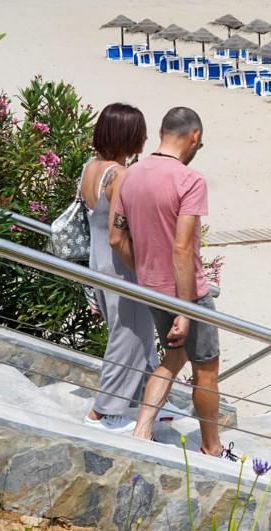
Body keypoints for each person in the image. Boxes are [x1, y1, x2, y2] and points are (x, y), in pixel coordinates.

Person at [112, 108, 231, 459]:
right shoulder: (190, 181)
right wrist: (184, 308)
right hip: (188, 293)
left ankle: (142, 429)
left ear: (161, 132)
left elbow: (117, 239)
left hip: (150, 287)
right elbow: (182, 247)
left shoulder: (130, 175)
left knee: (173, 356)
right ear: (194, 137)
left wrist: (148, 273)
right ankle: (211, 447)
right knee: (206, 369)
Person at [81, 104, 166, 432]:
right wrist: (144, 272)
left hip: (97, 261)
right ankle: (102, 412)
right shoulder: (119, 176)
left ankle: (149, 398)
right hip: (120, 265)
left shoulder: (92, 168)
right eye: (140, 132)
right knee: (129, 334)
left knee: (136, 333)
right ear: (128, 136)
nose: (144, 137)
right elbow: (120, 236)